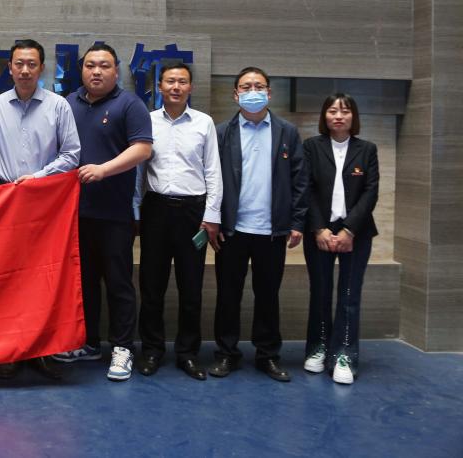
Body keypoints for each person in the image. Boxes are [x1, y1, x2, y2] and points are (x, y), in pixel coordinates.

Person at [54, 43, 152, 383]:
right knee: (84, 283)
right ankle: (90, 342)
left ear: (116, 70)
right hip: (74, 214)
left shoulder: (129, 104)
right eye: (90, 65)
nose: (96, 71)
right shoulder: (68, 103)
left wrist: (104, 170)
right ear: (81, 70)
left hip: (114, 214)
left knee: (118, 282)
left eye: (104, 65)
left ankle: (122, 347)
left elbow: (143, 149)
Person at [0, 39, 81, 380]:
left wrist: (38, 178)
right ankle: (11, 349)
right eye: (19, 64)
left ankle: (42, 349)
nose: (25, 70)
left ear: (41, 68)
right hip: (7, 202)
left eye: (31, 64)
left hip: (46, 203)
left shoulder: (58, 106)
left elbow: (72, 154)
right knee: (8, 278)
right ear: (10, 68)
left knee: (43, 278)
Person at [210, 66, 307, 382]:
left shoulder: (287, 132)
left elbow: (300, 180)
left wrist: (297, 222)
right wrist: (213, 220)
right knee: (228, 295)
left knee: (268, 296)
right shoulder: (221, 132)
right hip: (232, 230)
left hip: (272, 230)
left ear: (269, 92)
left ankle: (268, 355)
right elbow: (212, 179)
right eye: (246, 86)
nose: (253, 91)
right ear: (235, 94)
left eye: (259, 86)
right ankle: (227, 354)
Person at [133, 62, 222, 381]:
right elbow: (138, 171)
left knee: (191, 287)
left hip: (192, 213)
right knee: (151, 286)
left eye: (182, 82)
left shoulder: (204, 123)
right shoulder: (147, 121)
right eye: (170, 81)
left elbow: (213, 171)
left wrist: (211, 215)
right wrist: (136, 211)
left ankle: (187, 353)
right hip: (156, 208)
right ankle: (151, 350)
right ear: (159, 86)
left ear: (190, 87)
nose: (175, 87)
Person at [302, 93, 379, 385]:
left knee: (349, 295)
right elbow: (305, 188)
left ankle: (345, 354)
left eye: (345, 111)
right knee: (320, 292)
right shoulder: (311, 147)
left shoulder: (367, 149)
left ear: (353, 117)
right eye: (332, 111)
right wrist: (319, 228)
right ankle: (319, 347)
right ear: (324, 116)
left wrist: (349, 230)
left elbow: (371, 192)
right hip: (319, 231)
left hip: (356, 234)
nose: (338, 116)